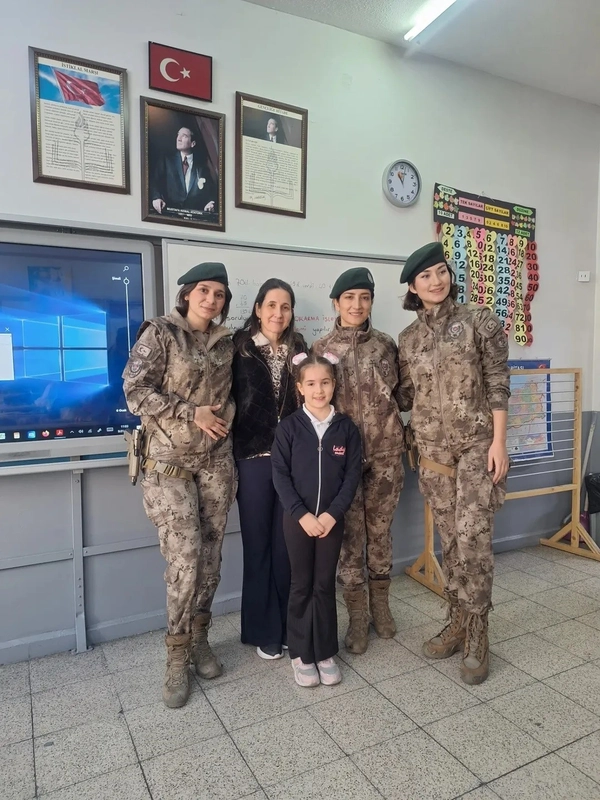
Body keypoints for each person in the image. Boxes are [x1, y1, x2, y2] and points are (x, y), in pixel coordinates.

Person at [122, 262, 236, 708]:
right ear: (187, 293)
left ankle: (200, 640)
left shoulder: (227, 342)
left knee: (210, 559)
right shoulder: (161, 333)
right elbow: (134, 391)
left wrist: (228, 416)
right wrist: (192, 413)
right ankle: (175, 655)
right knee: (185, 561)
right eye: (204, 290)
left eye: (220, 294)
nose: (211, 299)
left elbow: (232, 396)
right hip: (168, 466)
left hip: (216, 465)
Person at [397, 241, 510, 685]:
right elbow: (407, 394)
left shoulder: (479, 320)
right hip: (433, 452)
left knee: (473, 537)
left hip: (478, 446)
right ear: (412, 287)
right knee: (450, 539)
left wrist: (499, 443)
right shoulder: (409, 339)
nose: (436, 280)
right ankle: (458, 618)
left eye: (441, 271)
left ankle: (479, 628)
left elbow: (498, 382)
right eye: (425, 276)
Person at [312, 268, 405, 655]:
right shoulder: (320, 349)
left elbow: (403, 393)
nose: (357, 305)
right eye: (349, 298)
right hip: (341, 461)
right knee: (350, 540)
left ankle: (380, 607)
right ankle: (356, 616)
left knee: (380, 534)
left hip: (386, 455)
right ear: (336, 303)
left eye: (364, 297)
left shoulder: (385, 345)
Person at [271, 353, 362, 687]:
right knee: (301, 584)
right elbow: (280, 475)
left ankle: (324, 651)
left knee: (324, 585)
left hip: (331, 522)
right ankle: (300, 653)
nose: (318, 390)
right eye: (310, 383)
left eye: (324, 382)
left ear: (334, 385)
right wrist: (302, 514)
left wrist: (331, 515)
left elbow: (352, 477)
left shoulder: (346, 428)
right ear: (300, 388)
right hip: (298, 521)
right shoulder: (289, 427)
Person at [231, 278, 307, 660]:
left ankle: (288, 627)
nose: (279, 313)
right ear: (258, 309)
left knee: (287, 547)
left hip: (292, 461)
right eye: (272, 305)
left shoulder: (300, 349)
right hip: (253, 460)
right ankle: (263, 630)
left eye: (286, 307)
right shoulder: (239, 348)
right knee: (258, 544)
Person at [151, 126, 217, 216]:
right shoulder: (166, 160)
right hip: (169, 215)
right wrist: (156, 198)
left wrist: (211, 202)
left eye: (184, 136)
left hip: (194, 217)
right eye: (178, 135)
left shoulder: (202, 166)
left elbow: (211, 190)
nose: (179, 139)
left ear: (193, 143)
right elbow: (155, 182)